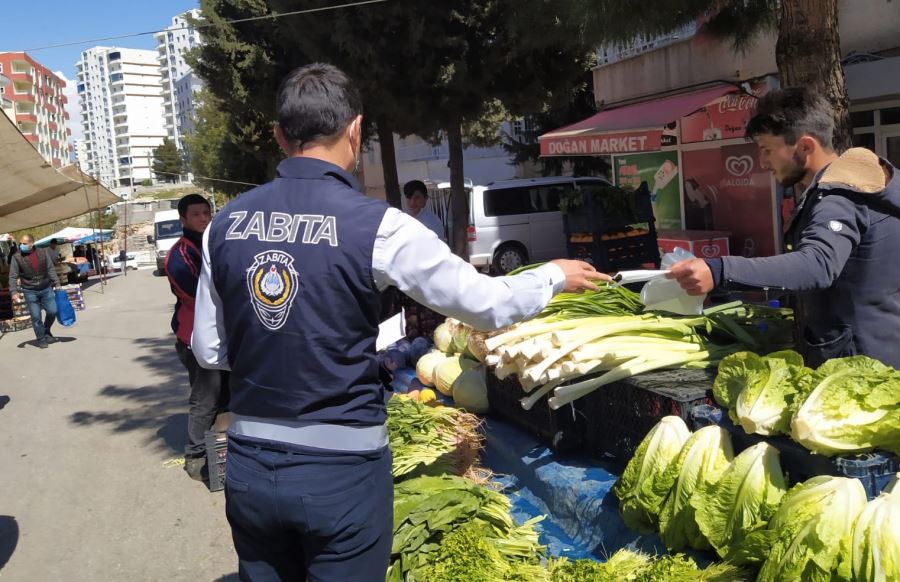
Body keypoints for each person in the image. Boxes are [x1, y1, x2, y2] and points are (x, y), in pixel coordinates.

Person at [192, 63, 605, 581]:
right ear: (356, 130)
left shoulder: (222, 225)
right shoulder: (381, 226)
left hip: (250, 463)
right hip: (340, 472)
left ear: (279, 136)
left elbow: (210, 350)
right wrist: (552, 275)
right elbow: (485, 303)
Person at [668, 87, 900, 368]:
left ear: (805, 146)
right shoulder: (867, 187)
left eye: (767, 150)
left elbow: (817, 265)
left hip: (859, 365)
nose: (763, 162)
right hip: (884, 345)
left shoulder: (838, 198)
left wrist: (720, 270)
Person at [165, 193, 230, 481]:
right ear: (183, 219)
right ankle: (195, 455)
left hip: (225, 335)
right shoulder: (180, 255)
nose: (204, 219)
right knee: (206, 399)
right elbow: (200, 296)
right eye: (196, 215)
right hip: (196, 339)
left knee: (228, 395)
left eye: (207, 213)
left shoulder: (214, 245)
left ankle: (225, 450)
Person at [9, 234, 60, 349]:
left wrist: (56, 283)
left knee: (53, 311)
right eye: (20, 243)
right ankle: (41, 339)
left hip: (46, 287)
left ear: (32, 243)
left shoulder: (43, 252)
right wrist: (13, 292)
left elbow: (50, 268)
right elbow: (13, 276)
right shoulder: (16, 257)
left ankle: (46, 330)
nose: (21, 245)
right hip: (29, 290)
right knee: (36, 316)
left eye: (24, 243)